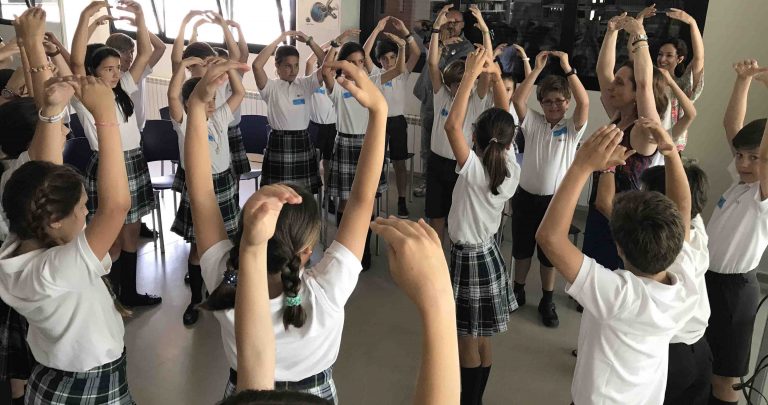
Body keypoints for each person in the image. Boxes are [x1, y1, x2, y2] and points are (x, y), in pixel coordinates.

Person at [187, 58, 386, 403]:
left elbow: (201, 193)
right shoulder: (326, 291)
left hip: (243, 394)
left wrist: (194, 108)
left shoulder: (224, 283)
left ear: (246, 231)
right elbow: (361, 200)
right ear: (307, 250)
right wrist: (379, 112)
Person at [536, 119, 698, 405]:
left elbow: (550, 238)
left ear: (619, 248)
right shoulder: (684, 282)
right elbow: (684, 206)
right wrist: (670, 151)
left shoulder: (620, 296)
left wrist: (581, 166)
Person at [0, 70, 134, 404]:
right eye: (83, 207)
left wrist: (52, 111)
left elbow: (43, 177)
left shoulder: (21, 242)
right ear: (56, 220)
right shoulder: (54, 270)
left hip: (55, 376)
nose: (88, 213)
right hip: (86, 384)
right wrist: (105, 117)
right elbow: (116, 207)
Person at [69, 0, 161, 307]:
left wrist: (140, 17)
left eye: (117, 68)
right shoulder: (86, 95)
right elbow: (76, 62)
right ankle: (110, 298)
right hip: (109, 164)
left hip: (134, 161)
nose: (115, 73)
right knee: (111, 238)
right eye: (108, 69)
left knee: (131, 234)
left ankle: (129, 293)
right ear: (93, 71)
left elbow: (145, 52)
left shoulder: (123, 88)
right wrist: (86, 17)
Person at [444, 47, 519, 404]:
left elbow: (450, 125)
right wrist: (494, 75)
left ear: (475, 135)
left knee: (466, 340)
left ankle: (469, 401)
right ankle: (476, 399)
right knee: (482, 335)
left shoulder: (475, 169)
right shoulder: (509, 165)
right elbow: (506, 114)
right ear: (509, 140)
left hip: (470, 260)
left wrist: (471, 77)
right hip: (487, 254)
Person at [582, 13, 668, 270]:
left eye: (619, 83)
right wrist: (611, 32)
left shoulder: (643, 131)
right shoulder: (618, 117)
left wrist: (640, 35)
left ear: (636, 94)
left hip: (622, 226)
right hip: (598, 216)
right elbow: (602, 72)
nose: (611, 86)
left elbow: (644, 84)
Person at [509, 50, 588, 328]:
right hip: (524, 197)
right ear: (541, 103)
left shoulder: (572, 128)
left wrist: (567, 68)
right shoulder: (532, 122)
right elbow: (517, 99)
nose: (554, 105)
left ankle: (547, 299)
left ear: (567, 103)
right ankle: (517, 291)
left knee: (549, 254)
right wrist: (536, 70)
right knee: (522, 249)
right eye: (548, 101)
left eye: (559, 101)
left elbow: (585, 101)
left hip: (555, 203)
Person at [706, 59, 768, 405]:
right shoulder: (741, 184)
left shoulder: (763, 197)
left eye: (754, 157)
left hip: (734, 292)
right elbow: (732, 126)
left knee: (725, 378)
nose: (743, 163)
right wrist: (743, 81)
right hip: (709, 280)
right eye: (740, 155)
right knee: (703, 362)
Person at [167, 56, 245, 326]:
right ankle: (195, 299)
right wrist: (181, 66)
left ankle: (223, 291)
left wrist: (230, 67)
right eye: (206, 99)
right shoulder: (185, 121)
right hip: (201, 187)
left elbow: (239, 93)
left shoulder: (220, 116)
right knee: (199, 248)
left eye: (213, 99)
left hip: (224, 183)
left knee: (230, 241)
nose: (211, 104)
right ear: (190, 103)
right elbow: (172, 96)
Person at [322, 40, 399, 270]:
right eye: (351, 62)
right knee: (346, 203)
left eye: (360, 62)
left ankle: (363, 252)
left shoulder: (372, 82)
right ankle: (345, 250)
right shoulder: (338, 86)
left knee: (368, 202)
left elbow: (399, 70)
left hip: (368, 145)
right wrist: (335, 47)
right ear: (342, 64)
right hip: (345, 143)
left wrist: (403, 43)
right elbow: (325, 70)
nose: (357, 67)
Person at [640, 162, 712, 404]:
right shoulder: (697, 228)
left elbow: (679, 204)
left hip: (671, 354)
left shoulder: (668, 248)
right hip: (699, 349)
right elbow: (684, 204)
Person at [425, 4, 493, 246]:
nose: (459, 88)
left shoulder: (476, 100)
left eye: (465, 81)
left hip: (461, 166)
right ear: (449, 84)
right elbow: (432, 64)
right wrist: (436, 29)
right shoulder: (442, 95)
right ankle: (437, 260)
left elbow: (488, 71)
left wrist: (484, 30)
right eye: (455, 83)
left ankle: (455, 260)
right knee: (436, 217)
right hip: (436, 162)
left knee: (457, 219)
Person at [412, 4, 474, 198]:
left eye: (456, 22)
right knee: (426, 145)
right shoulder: (435, 37)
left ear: (463, 25)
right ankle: (426, 181)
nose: (452, 25)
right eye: (449, 21)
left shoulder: (466, 47)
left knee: (445, 144)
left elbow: (447, 74)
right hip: (429, 100)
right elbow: (416, 26)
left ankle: (449, 185)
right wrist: (438, 25)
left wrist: (443, 48)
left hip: (449, 104)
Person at [252, 31, 325, 194]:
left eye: (296, 65)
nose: (293, 70)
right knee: (278, 194)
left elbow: (327, 66)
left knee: (302, 195)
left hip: (302, 141)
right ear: (277, 66)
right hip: (278, 143)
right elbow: (256, 65)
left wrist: (309, 40)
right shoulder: (270, 87)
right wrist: (280, 38)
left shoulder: (306, 84)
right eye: (288, 66)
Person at [365, 16, 422, 218]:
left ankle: (401, 200)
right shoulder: (375, 74)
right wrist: (377, 29)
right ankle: (372, 199)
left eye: (392, 57)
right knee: (376, 163)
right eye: (384, 58)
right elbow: (365, 52)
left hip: (397, 122)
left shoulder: (402, 72)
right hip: (379, 122)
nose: (388, 62)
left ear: (397, 57)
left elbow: (417, 53)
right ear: (379, 60)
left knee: (399, 163)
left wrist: (405, 32)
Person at [637, 5, 705, 151]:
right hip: (646, 143)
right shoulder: (649, 80)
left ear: (679, 59)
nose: (662, 59)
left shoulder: (683, 84)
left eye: (669, 55)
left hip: (672, 146)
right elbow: (636, 54)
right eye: (660, 54)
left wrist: (692, 23)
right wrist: (639, 21)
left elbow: (699, 58)